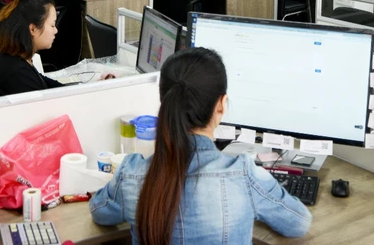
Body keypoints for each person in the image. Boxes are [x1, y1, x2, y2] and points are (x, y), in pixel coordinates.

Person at [90, 48, 312, 243]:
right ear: (221, 105)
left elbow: (99, 211)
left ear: (164, 101)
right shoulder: (245, 175)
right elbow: (299, 223)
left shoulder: (131, 174)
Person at [0, 0, 67, 97]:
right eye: (52, 25)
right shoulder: (18, 75)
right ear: (33, 29)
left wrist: (80, 89)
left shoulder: (16, 58)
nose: (56, 30)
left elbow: (43, 82)